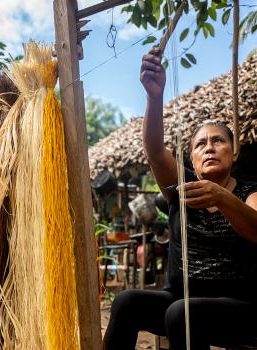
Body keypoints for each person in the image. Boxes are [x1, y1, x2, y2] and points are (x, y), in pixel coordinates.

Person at [103, 47, 257, 350]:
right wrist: (154, 96)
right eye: (201, 144)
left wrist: (222, 198)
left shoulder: (250, 191)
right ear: (192, 160)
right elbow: (155, 150)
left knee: (182, 312)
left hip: (242, 308)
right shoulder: (181, 188)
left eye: (218, 141)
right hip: (180, 301)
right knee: (126, 301)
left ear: (234, 151)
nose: (209, 147)